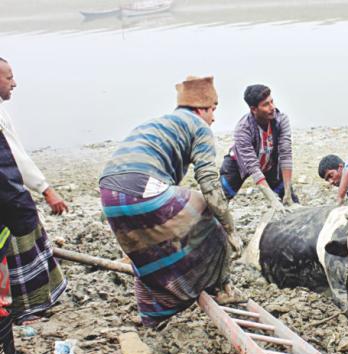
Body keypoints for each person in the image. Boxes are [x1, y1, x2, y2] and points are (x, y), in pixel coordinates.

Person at [99, 76, 243, 328]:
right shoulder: (200, 127)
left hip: (109, 192)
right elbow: (209, 183)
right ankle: (222, 288)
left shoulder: (159, 122)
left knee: (146, 255)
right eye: (213, 110)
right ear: (201, 109)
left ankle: (152, 319)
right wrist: (230, 230)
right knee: (210, 220)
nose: (214, 118)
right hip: (142, 187)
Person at [0, 58, 67, 324]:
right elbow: (15, 157)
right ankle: (25, 310)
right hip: (7, 194)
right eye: (8, 78)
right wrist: (46, 189)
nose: (14, 83)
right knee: (18, 244)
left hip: (10, 190)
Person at [219, 85, 297, 211]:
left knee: (291, 201)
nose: (272, 107)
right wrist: (272, 200)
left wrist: (287, 192)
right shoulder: (243, 129)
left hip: (269, 163)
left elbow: (286, 154)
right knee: (219, 201)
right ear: (254, 109)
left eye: (272, 102)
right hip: (239, 164)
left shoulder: (281, 120)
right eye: (266, 105)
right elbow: (253, 167)